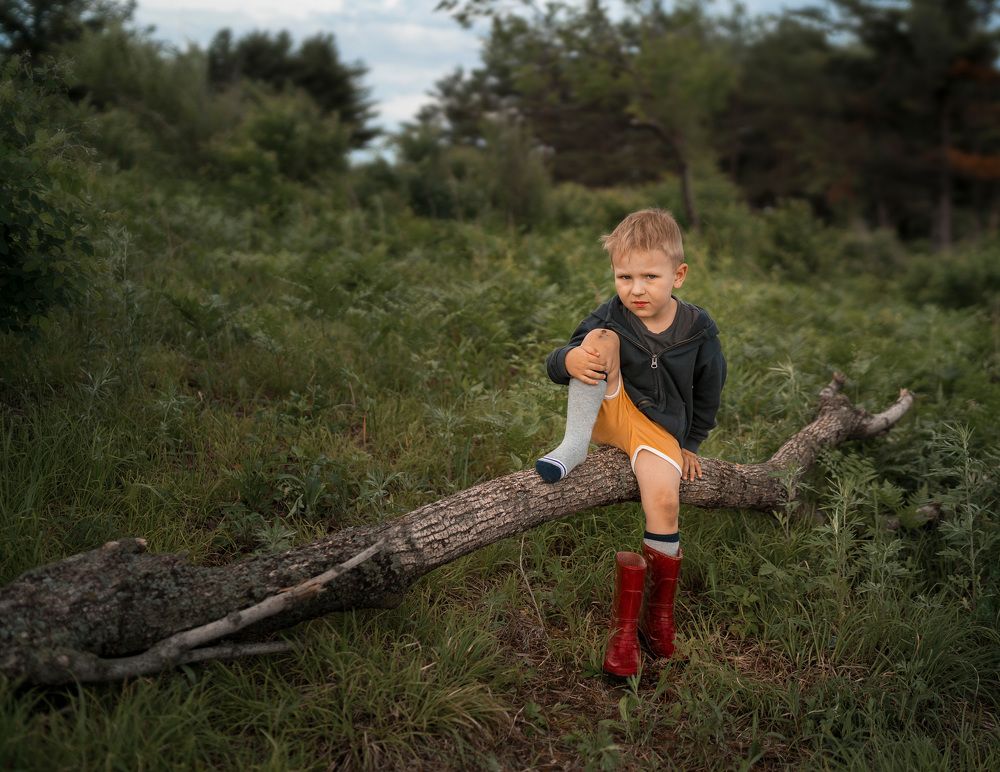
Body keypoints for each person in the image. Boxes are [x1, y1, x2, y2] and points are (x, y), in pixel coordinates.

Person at [536, 208, 726, 677]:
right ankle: (574, 445)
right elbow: (558, 362)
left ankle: (646, 624)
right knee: (599, 338)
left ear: (678, 275)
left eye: (649, 276)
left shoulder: (698, 330)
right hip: (609, 408)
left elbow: (709, 391)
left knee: (664, 502)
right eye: (624, 276)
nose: (635, 289)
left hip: (656, 431)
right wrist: (571, 359)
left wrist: (692, 443)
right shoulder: (612, 313)